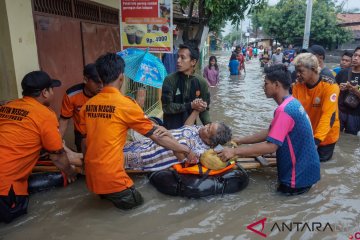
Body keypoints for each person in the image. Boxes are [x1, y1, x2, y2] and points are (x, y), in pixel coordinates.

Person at [78, 53, 198, 210]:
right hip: (114, 179)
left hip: (92, 179)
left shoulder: (88, 106)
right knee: (139, 208)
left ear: (100, 77)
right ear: (121, 77)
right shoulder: (126, 105)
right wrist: (186, 149)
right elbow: (157, 137)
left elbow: (84, 141)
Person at [217, 64, 320, 195]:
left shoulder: (284, 110)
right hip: (307, 170)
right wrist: (239, 140)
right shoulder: (292, 102)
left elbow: (271, 146)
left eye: (266, 83)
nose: (263, 87)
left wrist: (234, 152)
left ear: (276, 85)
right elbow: (271, 132)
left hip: (296, 178)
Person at [0, 71, 77, 223]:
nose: (53, 92)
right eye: (52, 89)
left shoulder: (7, 106)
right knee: (17, 224)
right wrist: (70, 172)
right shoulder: (45, 115)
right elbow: (57, 156)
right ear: (45, 92)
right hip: (5, 187)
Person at [125, 110, 232, 171]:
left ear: (210, 142)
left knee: (116, 160)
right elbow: (185, 127)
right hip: (150, 142)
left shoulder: (201, 152)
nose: (205, 126)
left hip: (152, 155)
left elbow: (181, 158)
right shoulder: (199, 129)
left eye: (208, 130)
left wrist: (169, 136)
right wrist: (196, 110)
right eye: (209, 125)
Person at [292, 53, 340, 162]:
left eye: (301, 71)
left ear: (313, 69)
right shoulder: (297, 86)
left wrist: (316, 141)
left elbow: (328, 116)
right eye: (296, 71)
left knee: (321, 166)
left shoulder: (330, 86)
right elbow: (295, 113)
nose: (297, 75)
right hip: (307, 134)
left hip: (326, 137)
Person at [161, 41, 211, 130]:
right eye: (178, 57)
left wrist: (210, 127)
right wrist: (190, 105)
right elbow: (166, 107)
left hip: (190, 131)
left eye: (182, 58)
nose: (178, 60)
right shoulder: (170, 79)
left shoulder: (202, 82)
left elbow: (204, 109)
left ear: (193, 62)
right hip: (170, 130)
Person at [59, 64, 103, 152]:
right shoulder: (72, 95)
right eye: (97, 82)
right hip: (82, 136)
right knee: (84, 161)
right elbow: (64, 120)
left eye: (103, 82)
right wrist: (57, 142)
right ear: (85, 80)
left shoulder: (107, 94)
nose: (101, 86)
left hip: (103, 134)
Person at [335, 47, 360, 135]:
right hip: (340, 111)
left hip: (356, 114)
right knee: (336, 135)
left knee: (351, 140)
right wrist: (339, 88)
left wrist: (355, 90)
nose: (356, 58)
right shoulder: (343, 72)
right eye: (355, 55)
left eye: (359, 56)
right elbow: (332, 90)